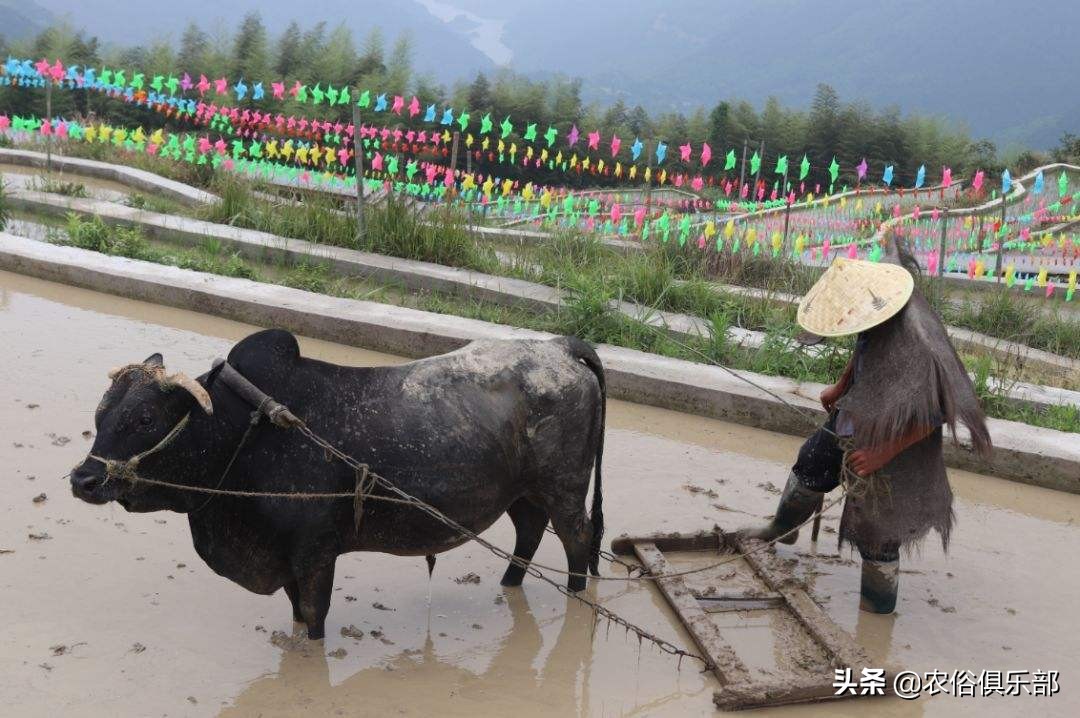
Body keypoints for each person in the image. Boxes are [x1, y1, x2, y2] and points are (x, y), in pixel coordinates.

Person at [740, 255, 991, 614]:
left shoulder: (919, 342)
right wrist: (841, 386)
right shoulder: (876, 306)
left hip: (897, 441)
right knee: (811, 462)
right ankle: (782, 528)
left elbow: (939, 409)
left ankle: (877, 607)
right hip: (855, 414)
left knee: (878, 528)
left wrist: (884, 453)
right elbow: (865, 349)